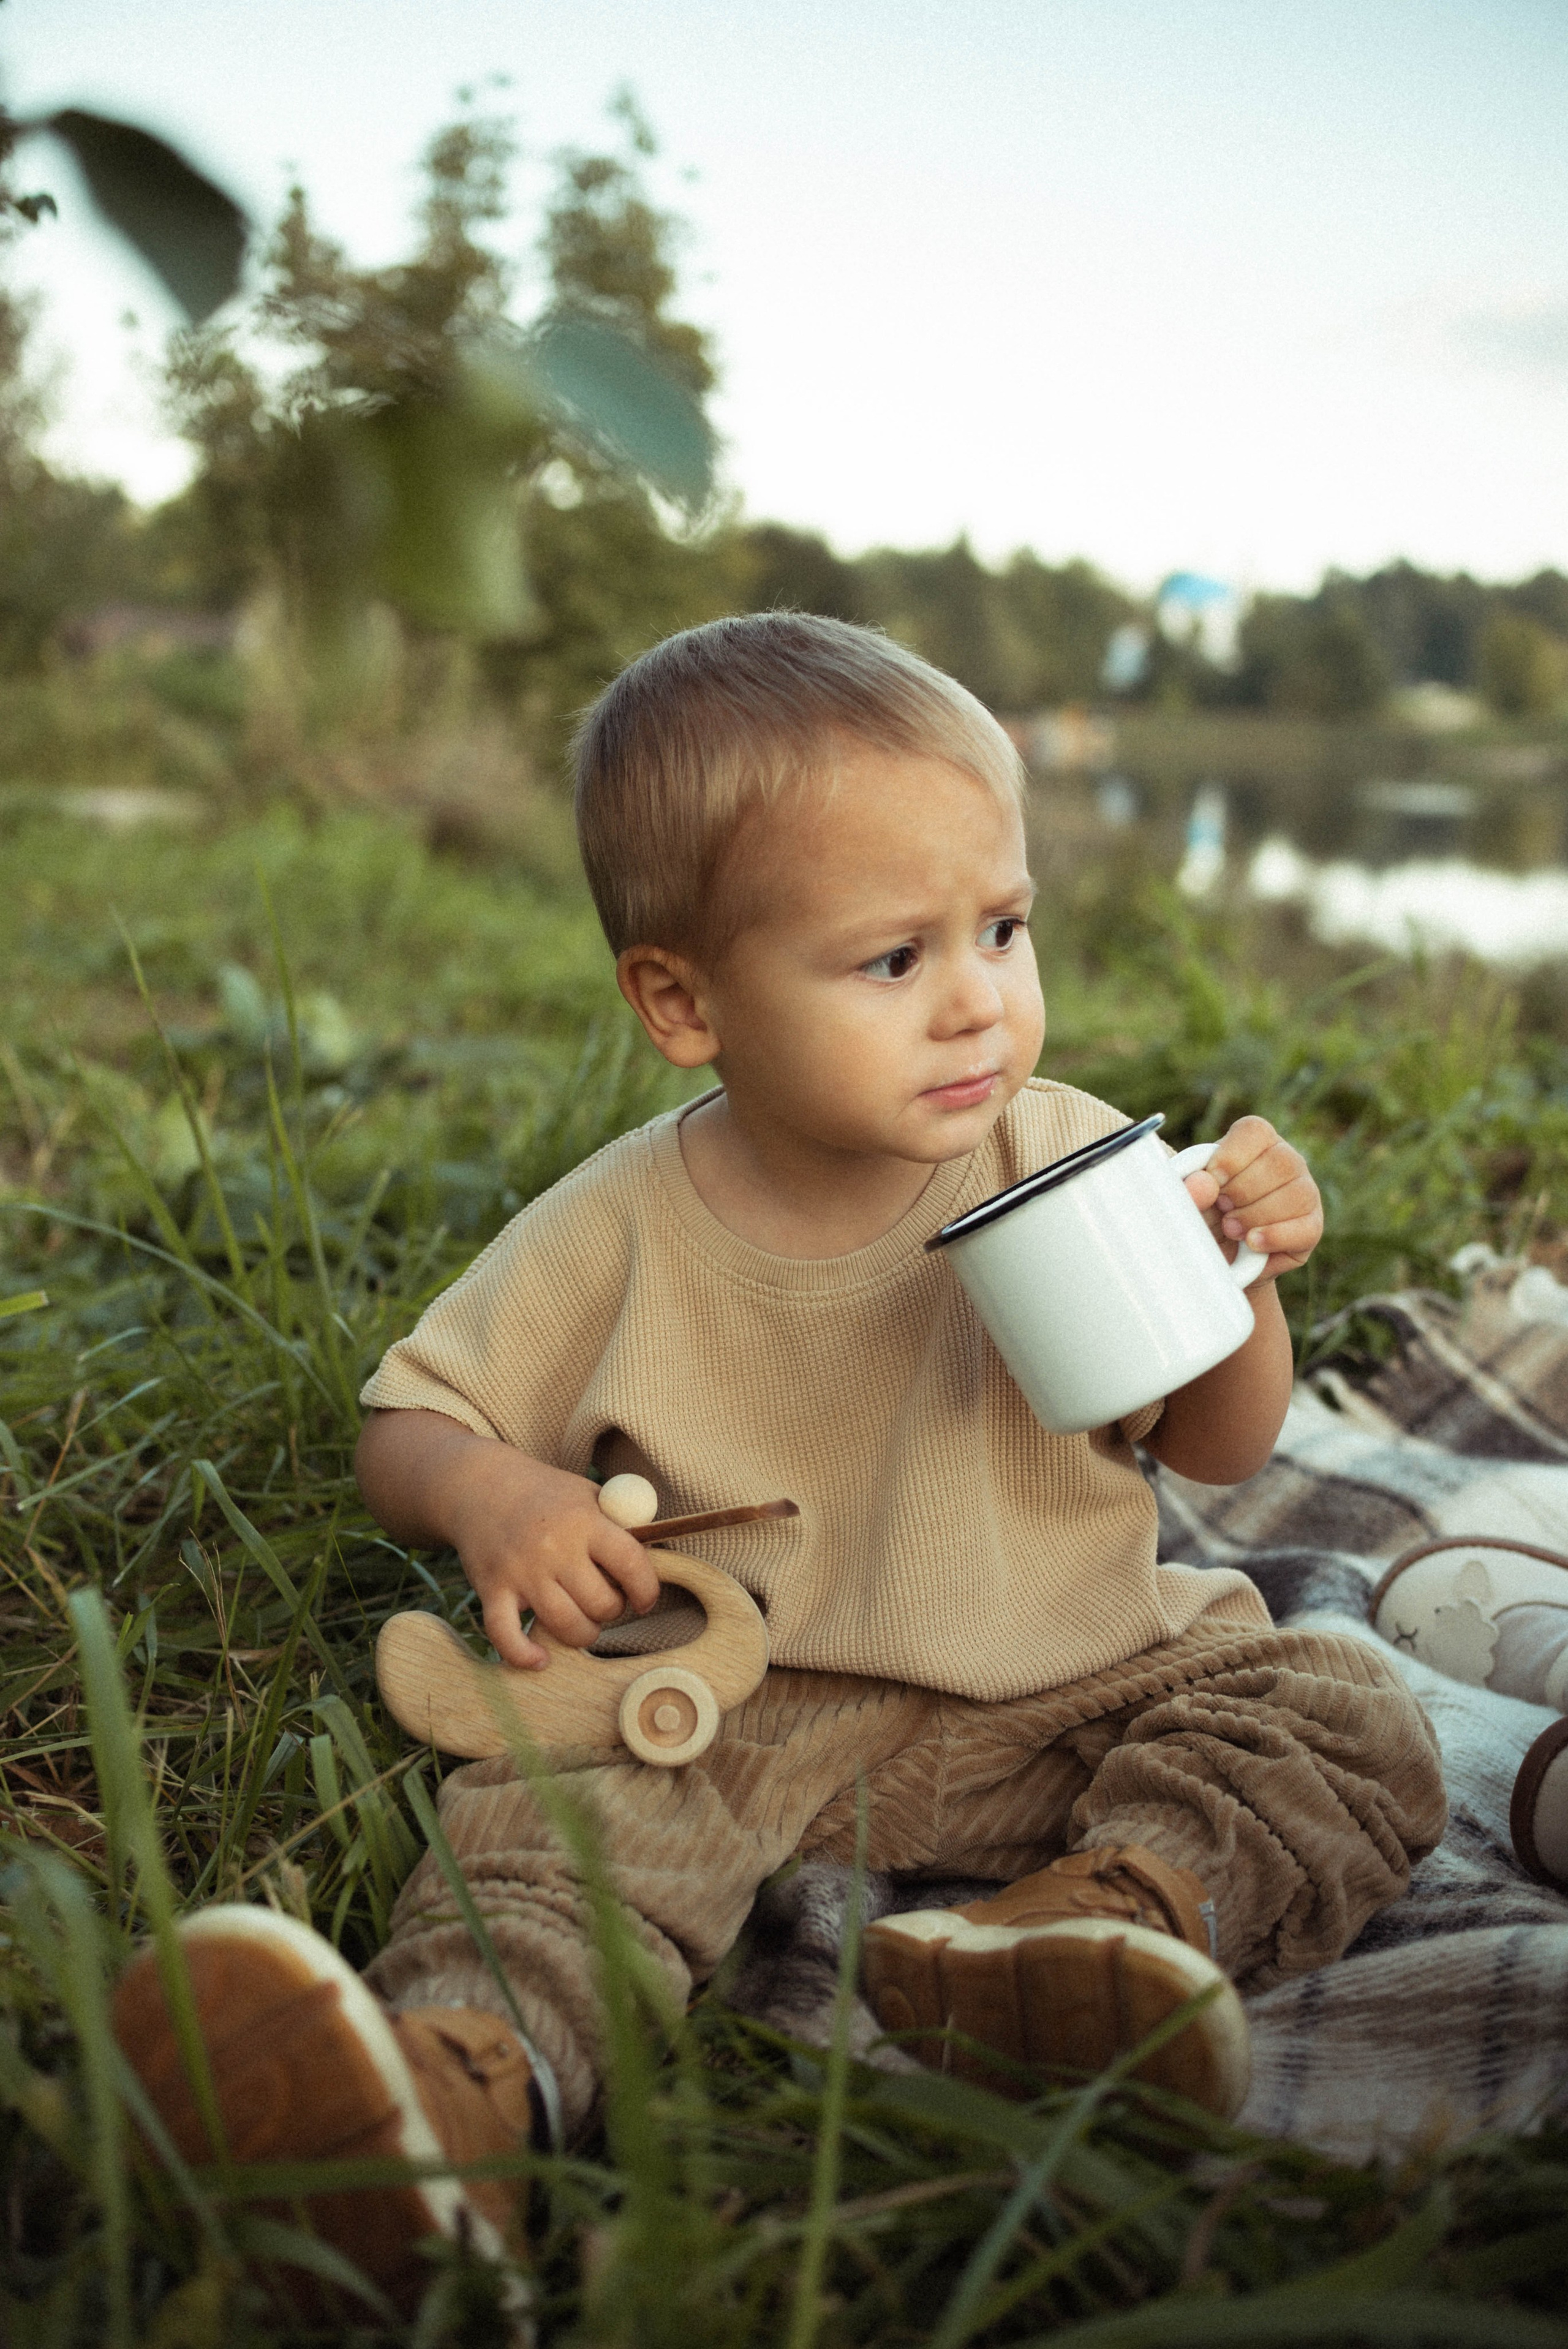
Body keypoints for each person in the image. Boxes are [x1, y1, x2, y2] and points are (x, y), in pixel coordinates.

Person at [116, 614, 1447, 2309]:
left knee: (1338, 1701)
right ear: (685, 999)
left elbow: (1222, 1441)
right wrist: (488, 1492)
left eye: (1006, 926)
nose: (980, 998)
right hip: (728, 1719)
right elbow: (411, 1417)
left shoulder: (1071, 1156)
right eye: (894, 960)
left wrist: (1250, 1280)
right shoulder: (617, 1223)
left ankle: (1099, 1918)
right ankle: (447, 2094)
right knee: (546, 1830)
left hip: (1066, 1687)